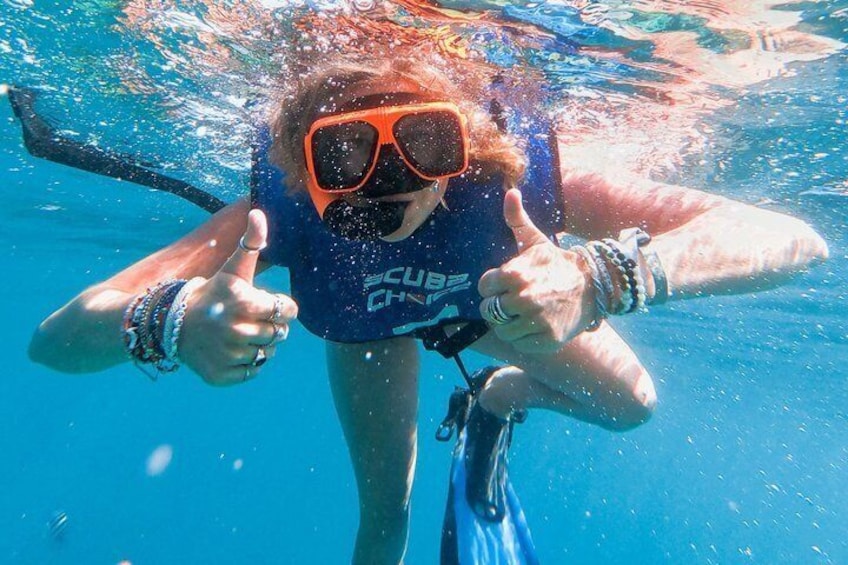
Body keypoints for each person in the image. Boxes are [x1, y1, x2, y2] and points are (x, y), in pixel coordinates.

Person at [28, 55, 828, 564]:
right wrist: (172, 318)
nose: (394, 177)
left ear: (467, 145)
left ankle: (497, 400)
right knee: (386, 515)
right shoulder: (275, 216)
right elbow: (55, 339)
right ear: (302, 165)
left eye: (426, 141)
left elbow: (794, 239)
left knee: (635, 405)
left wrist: (602, 276)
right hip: (367, 333)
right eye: (346, 152)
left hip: (493, 314)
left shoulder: (516, 184)